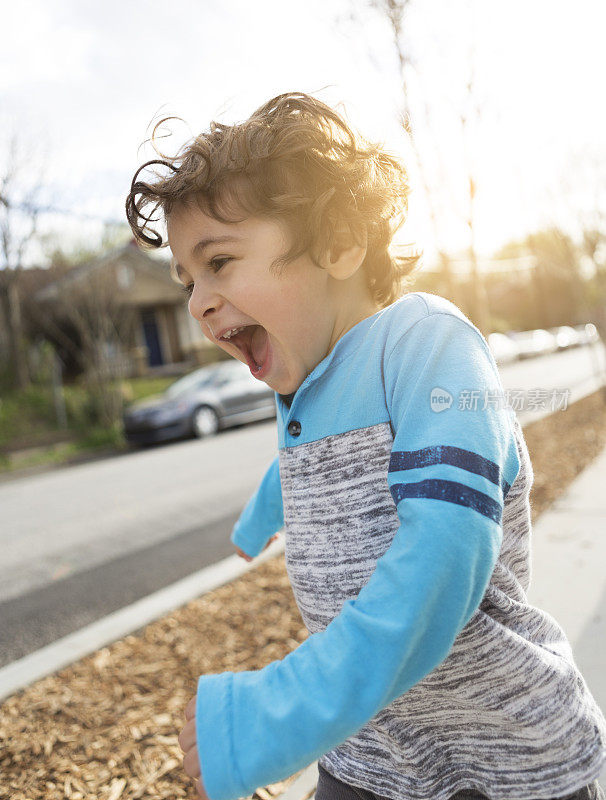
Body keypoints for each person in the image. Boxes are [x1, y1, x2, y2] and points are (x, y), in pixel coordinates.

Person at [125, 91, 606, 800]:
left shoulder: (428, 347)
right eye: (188, 279)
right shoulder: (306, 376)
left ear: (340, 243)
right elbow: (314, 458)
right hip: (370, 755)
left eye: (219, 261)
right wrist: (261, 516)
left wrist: (281, 712)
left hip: (508, 752)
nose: (197, 300)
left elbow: (441, 561)